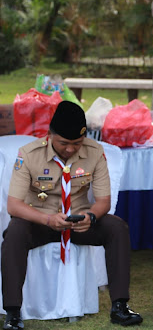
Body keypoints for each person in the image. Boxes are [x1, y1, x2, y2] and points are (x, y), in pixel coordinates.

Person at [2, 101, 142, 329]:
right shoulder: (28, 154)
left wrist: (91, 217)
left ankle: (120, 306)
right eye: (63, 143)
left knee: (117, 228)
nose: (70, 149)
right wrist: (47, 219)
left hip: (78, 223)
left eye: (76, 143)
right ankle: (13, 312)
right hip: (40, 222)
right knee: (15, 232)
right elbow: (14, 205)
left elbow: (103, 201)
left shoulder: (95, 152)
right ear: (50, 135)